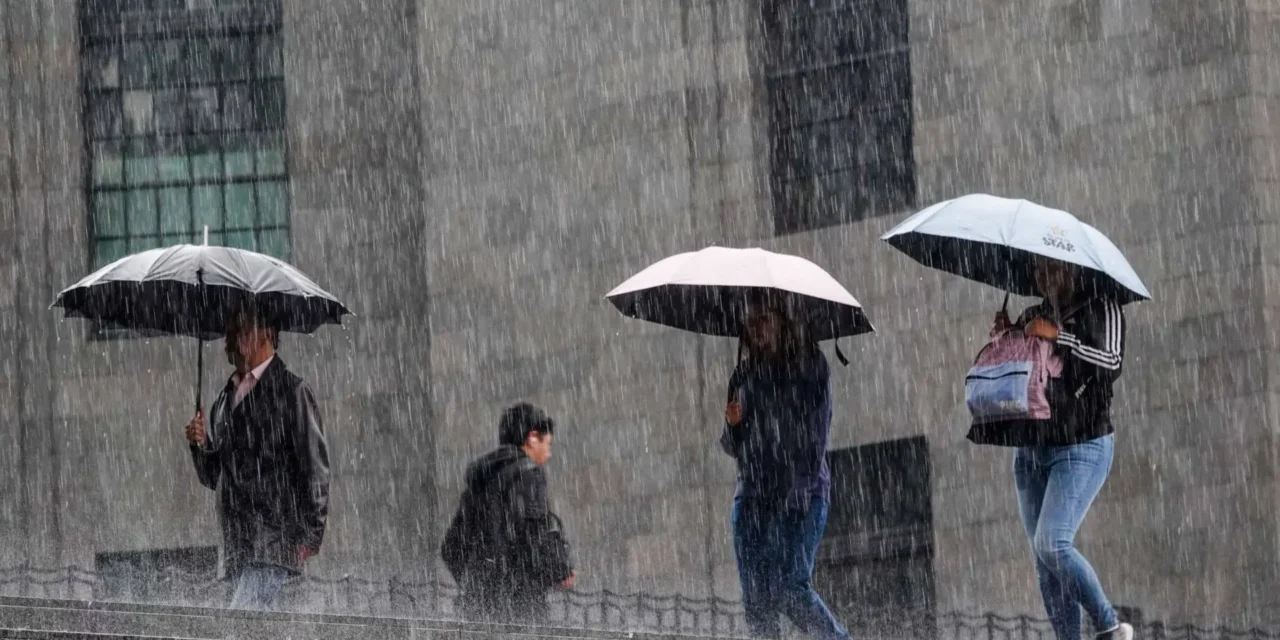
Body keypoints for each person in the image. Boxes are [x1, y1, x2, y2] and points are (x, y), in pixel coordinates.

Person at [979, 256, 1133, 640]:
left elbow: (1111, 362)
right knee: (1044, 561)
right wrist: (1009, 335)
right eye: (1037, 270)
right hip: (1031, 450)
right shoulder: (1034, 311)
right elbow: (1021, 370)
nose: (1043, 277)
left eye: (1051, 268)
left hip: (1083, 446)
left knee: (1053, 542)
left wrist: (1058, 337)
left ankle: (1110, 626)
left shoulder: (1103, 307)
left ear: (1072, 269)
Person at [184, 304, 330, 611]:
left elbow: (314, 468)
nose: (232, 340)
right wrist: (201, 445)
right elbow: (216, 476)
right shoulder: (224, 399)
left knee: (237, 626)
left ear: (267, 334)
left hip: (273, 544)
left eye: (242, 331)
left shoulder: (292, 391)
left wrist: (309, 536)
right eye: (230, 332)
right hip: (238, 546)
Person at [719, 295, 848, 640]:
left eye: (764, 320)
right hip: (752, 497)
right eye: (751, 323)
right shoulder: (744, 374)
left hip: (800, 493)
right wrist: (732, 423)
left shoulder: (810, 366)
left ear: (782, 321)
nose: (757, 329)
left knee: (789, 586)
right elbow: (731, 445)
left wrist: (795, 497)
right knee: (757, 601)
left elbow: (816, 437)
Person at [442, 402, 575, 624]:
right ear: (533, 437)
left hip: (478, 609)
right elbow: (535, 532)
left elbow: (451, 547)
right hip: (520, 609)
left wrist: (479, 583)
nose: (548, 453)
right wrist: (560, 572)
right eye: (547, 444)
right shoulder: (529, 474)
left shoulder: (482, 481)